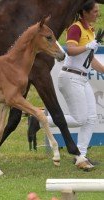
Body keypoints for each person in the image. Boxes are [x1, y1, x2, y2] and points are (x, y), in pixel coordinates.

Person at [46, 0, 104, 168]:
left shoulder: (90, 30)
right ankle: (41, 119)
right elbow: (69, 50)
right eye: (94, 11)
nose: (97, 14)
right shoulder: (75, 28)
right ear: (84, 12)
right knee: (80, 119)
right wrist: (87, 46)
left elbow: (90, 59)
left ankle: (81, 156)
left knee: (91, 118)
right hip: (71, 77)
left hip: (82, 78)